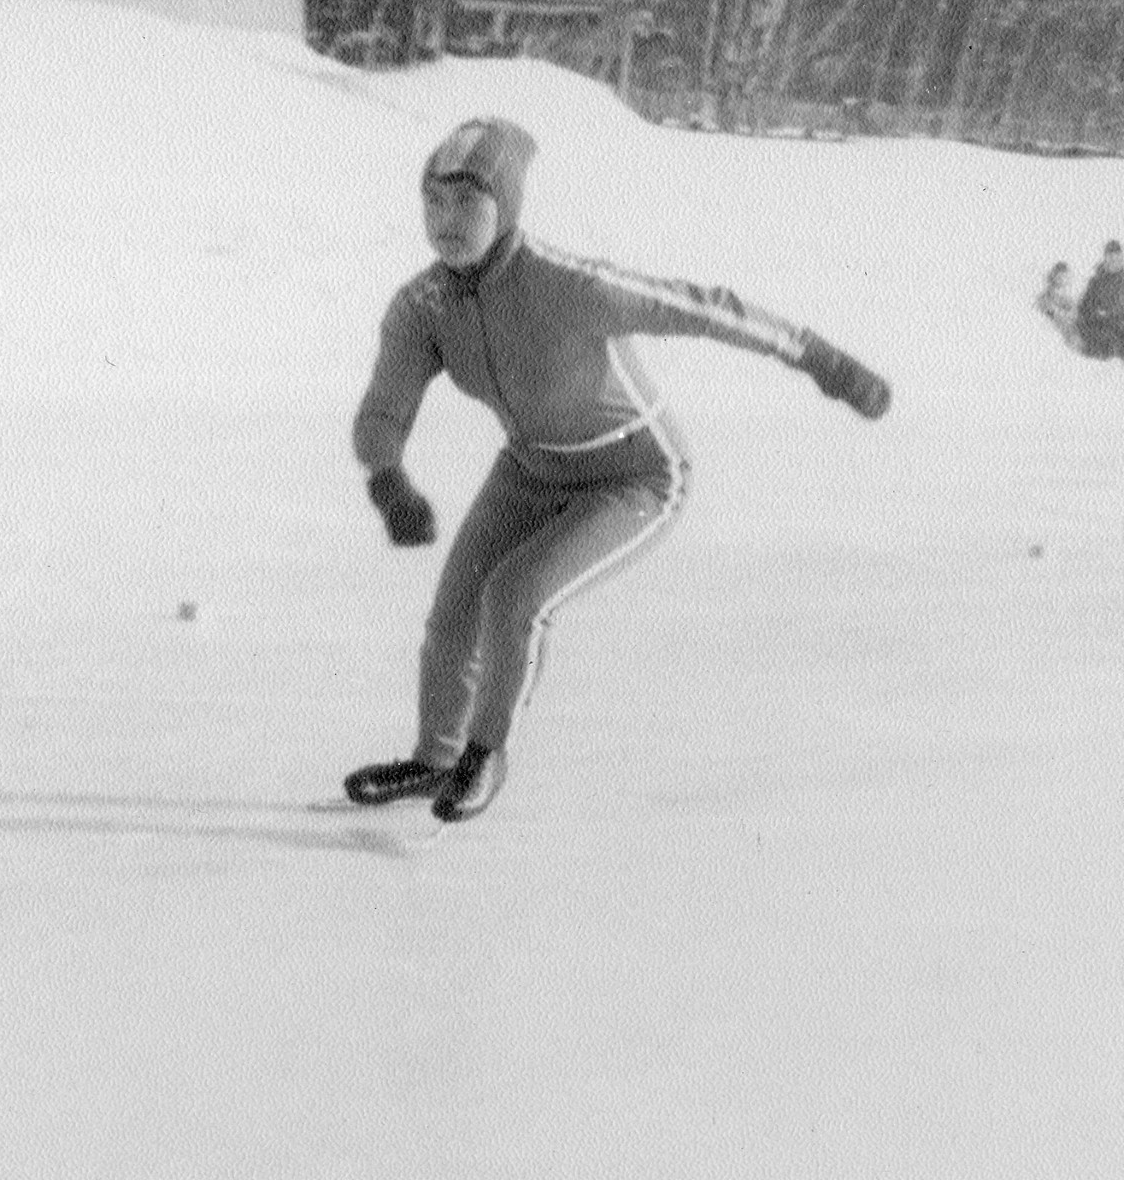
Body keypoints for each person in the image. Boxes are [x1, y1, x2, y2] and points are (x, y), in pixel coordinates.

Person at [346, 117, 891, 823]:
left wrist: (823, 361)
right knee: (452, 621)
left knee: (514, 597)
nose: (446, 221)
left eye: (467, 201)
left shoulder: (567, 285)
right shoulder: (422, 305)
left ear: (505, 206)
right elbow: (384, 406)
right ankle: (434, 760)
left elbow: (703, 309)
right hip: (528, 471)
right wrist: (387, 478)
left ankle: (487, 753)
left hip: (634, 476)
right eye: (433, 203)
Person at [1075, 240, 1124, 360]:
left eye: (1117, 258)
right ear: (1105, 259)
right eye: (1110, 258)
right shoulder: (1096, 282)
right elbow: (1084, 307)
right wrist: (1098, 314)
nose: (1113, 262)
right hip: (1102, 329)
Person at [1036, 261, 1083, 352]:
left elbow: (1074, 309)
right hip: (1056, 337)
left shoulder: (1066, 298)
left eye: (1066, 277)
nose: (1065, 280)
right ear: (1054, 277)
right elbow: (1057, 317)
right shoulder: (1045, 298)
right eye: (1062, 277)